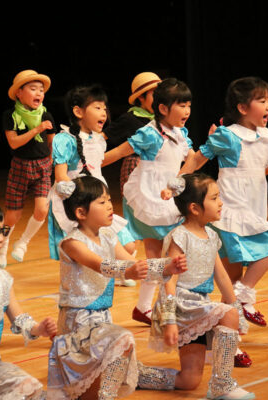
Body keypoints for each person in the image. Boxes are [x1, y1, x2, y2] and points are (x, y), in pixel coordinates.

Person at [173, 77, 268, 329]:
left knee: (232, 279)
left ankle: (229, 330)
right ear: (243, 108)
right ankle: (244, 298)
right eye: (261, 100)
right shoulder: (228, 136)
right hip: (231, 211)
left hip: (254, 209)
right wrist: (176, 182)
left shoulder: (267, 136)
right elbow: (199, 160)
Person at [46, 176, 187, 399]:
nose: (110, 205)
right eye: (101, 202)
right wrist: (127, 272)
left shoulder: (108, 235)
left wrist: (166, 265)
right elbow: (101, 265)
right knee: (123, 341)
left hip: (102, 320)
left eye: (109, 199)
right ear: (81, 213)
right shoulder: (72, 243)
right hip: (78, 322)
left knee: (121, 359)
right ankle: (106, 395)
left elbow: (134, 264)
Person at [150, 173, 254, 400]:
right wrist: (168, 320)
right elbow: (170, 281)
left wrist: (236, 307)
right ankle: (222, 384)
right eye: (215, 198)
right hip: (181, 306)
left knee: (189, 380)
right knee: (226, 314)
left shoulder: (211, 235)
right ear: (195, 208)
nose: (220, 203)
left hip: (199, 305)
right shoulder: (180, 236)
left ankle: (136, 373)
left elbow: (222, 277)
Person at [102, 78, 195, 325]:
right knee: (163, 256)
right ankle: (164, 306)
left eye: (188, 105)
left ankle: (146, 307)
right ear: (163, 108)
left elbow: (193, 160)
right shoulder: (151, 134)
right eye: (181, 105)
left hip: (169, 195)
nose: (186, 111)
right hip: (149, 196)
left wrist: (178, 182)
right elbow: (121, 151)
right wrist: (90, 164)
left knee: (161, 257)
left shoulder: (180, 133)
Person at [47, 85, 137, 287]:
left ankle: (116, 271)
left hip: (97, 199)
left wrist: (128, 148)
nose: (104, 113)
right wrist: (72, 193)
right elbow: (61, 175)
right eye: (97, 107)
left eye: (105, 108)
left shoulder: (98, 140)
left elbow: (97, 164)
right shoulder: (65, 139)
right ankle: (98, 280)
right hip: (76, 201)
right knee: (84, 250)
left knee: (128, 245)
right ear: (78, 111)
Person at [0, 205, 57, 399]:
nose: (0, 239)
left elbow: (19, 318)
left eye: (2, 231)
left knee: (31, 389)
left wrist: (38, 328)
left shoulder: (3, 279)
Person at [1, 70, 56, 266]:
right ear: (19, 93)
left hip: (42, 166)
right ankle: (3, 243)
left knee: (42, 209)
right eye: (33, 89)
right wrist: (36, 130)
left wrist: (50, 160)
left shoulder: (46, 114)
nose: (39, 93)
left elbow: (52, 142)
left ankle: (23, 243)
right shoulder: (11, 115)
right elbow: (14, 142)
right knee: (12, 216)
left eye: (41, 90)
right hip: (20, 166)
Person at [104, 72, 161, 195]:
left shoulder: (162, 119)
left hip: (157, 167)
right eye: (154, 94)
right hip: (136, 166)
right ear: (141, 97)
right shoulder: (130, 118)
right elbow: (103, 137)